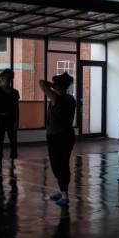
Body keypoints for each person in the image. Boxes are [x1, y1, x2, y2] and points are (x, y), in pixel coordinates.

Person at [39, 73, 76, 208]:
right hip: (67, 135)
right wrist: (57, 86)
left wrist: (53, 85)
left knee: (59, 165)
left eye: (55, 85)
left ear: (58, 86)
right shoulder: (71, 99)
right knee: (61, 164)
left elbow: (41, 82)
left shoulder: (56, 98)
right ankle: (62, 192)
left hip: (57, 136)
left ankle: (65, 196)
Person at [0, 68, 19, 169]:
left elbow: (17, 108)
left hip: (11, 118)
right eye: (6, 77)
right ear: (3, 78)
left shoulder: (14, 92)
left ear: (12, 79)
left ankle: (12, 162)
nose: (8, 79)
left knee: (13, 140)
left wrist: (17, 121)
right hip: (0, 117)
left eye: (10, 78)